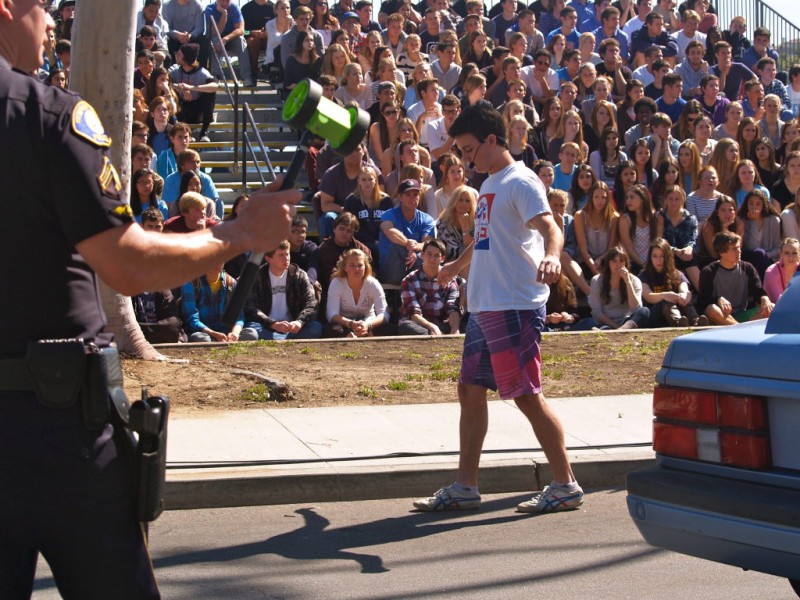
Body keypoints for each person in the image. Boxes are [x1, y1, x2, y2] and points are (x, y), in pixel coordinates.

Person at [0, 3, 298, 596]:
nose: (52, 18)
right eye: (39, 3)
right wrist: (236, 236)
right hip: (57, 432)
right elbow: (127, 264)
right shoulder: (46, 116)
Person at [413, 101, 585, 514]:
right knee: (470, 390)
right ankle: (466, 486)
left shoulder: (521, 181)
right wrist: (456, 264)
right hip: (487, 305)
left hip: (514, 305)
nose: (466, 159)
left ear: (493, 140)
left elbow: (550, 227)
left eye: (470, 149)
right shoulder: (490, 183)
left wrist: (550, 256)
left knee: (525, 394)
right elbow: (487, 238)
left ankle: (565, 484)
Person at [244, 240, 323, 340]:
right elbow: (251, 308)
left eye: (287, 254)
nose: (286, 259)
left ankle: (279, 339)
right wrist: (273, 324)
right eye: (281, 255)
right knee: (251, 328)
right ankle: (286, 339)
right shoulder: (258, 276)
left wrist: (299, 321)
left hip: (292, 327)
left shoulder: (299, 275)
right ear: (268, 258)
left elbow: (311, 303)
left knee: (315, 327)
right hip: (267, 326)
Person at [697, 231, 774, 325]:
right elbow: (702, 302)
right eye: (734, 249)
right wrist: (718, 299)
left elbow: (757, 291)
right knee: (711, 309)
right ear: (721, 252)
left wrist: (765, 299)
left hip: (742, 314)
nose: (739, 251)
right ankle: (741, 329)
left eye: (739, 248)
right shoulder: (709, 271)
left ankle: (737, 328)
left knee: (771, 308)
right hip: (722, 314)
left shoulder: (747, 268)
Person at [397, 239, 462, 335]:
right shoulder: (409, 280)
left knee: (466, 325)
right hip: (419, 325)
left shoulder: (450, 280)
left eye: (437, 256)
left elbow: (452, 307)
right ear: (422, 255)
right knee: (405, 326)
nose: (432, 259)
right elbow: (413, 313)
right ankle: (440, 337)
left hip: (441, 324)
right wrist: (432, 327)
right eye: (429, 254)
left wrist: (455, 329)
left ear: (443, 258)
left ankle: (439, 336)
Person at [378, 177, 436, 285]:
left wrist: (416, 247)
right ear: (400, 197)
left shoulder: (427, 219)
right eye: (408, 195)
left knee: (430, 251)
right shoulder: (388, 214)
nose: (412, 198)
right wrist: (409, 246)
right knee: (397, 247)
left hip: (415, 265)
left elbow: (427, 243)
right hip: (392, 270)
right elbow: (389, 231)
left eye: (415, 195)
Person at [324, 248, 389, 337]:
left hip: (369, 323)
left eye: (360, 265)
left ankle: (368, 335)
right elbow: (331, 314)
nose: (357, 269)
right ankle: (349, 336)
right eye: (352, 265)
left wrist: (368, 325)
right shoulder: (336, 283)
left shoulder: (373, 283)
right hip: (345, 325)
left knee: (389, 328)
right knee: (329, 328)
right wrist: (351, 324)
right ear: (345, 267)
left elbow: (384, 314)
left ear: (365, 267)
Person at [639, 238, 701, 327]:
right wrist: (665, 295)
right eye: (655, 256)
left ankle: (696, 322)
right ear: (650, 257)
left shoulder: (676, 273)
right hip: (653, 315)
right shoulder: (644, 275)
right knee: (667, 302)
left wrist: (684, 295)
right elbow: (648, 296)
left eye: (662, 256)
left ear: (667, 257)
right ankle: (678, 323)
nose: (658, 260)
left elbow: (684, 287)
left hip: (676, 311)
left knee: (685, 301)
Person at [588, 245, 651, 329]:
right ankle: (612, 331)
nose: (617, 265)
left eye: (621, 261)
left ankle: (621, 330)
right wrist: (617, 327)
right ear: (608, 263)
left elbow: (636, 309)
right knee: (594, 324)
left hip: (626, 322)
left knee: (644, 311)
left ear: (626, 263)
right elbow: (597, 312)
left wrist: (628, 282)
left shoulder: (634, 280)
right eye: (614, 261)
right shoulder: (597, 281)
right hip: (607, 322)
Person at [168, 42, 217, 142]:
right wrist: (179, 87)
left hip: (197, 109)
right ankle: (185, 133)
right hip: (181, 109)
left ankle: (204, 132)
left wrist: (191, 88)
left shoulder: (202, 72)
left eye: (180, 54)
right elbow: (163, 81)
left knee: (210, 93)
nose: (176, 55)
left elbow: (215, 86)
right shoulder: (175, 70)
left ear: (186, 57)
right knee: (170, 93)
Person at [204, 0, 257, 88]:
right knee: (214, 40)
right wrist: (224, 14)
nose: (225, 3)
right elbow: (215, 32)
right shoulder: (209, 9)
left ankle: (247, 77)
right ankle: (216, 76)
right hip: (216, 39)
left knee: (241, 40)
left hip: (230, 38)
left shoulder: (235, 8)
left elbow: (240, 30)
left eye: (227, 1)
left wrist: (225, 39)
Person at [738, 188, 781, 280]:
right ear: (746, 204)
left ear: (763, 205)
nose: (754, 207)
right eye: (751, 204)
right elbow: (752, 247)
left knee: (760, 254)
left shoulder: (773, 220)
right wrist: (753, 222)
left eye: (758, 204)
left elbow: (778, 248)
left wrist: (766, 255)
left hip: (768, 258)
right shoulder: (742, 220)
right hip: (749, 257)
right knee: (758, 253)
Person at [763, 237, 800, 303]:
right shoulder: (771, 273)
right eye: (786, 253)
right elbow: (778, 303)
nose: (790, 257)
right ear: (781, 254)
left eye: (794, 253)